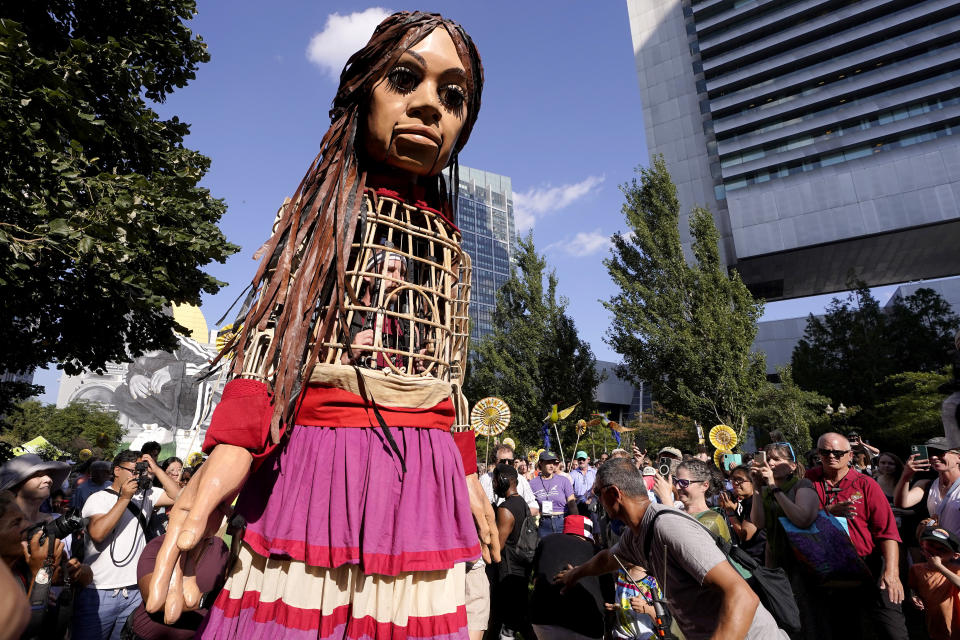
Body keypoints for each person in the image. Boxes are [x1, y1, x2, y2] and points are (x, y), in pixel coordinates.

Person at [147, 13, 493, 640]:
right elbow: (267, 355)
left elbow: (450, 378)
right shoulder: (320, 213)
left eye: (452, 95)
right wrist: (221, 469)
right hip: (319, 466)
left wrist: (464, 473)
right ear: (363, 91)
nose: (427, 106)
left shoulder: (449, 243)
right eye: (405, 79)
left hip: (424, 482)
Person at [555, 459, 784, 639]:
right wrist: (576, 574)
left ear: (614, 494)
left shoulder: (669, 527)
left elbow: (743, 596)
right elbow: (608, 559)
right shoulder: (636, 534)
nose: (596, 499)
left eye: (597, 492)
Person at [806, 432, 908, 640]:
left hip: (869, 565)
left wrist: (891, 572)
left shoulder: (865, 484)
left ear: (850, 455)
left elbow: (887, 532)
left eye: (838, 452)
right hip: (832, 569)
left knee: (892, 630)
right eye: (825, 452)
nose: (831, 456)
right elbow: (799, 520)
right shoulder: (809, 481)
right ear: (818, 453)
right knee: (845, 629)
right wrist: (828, 511)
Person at [74, 450, 180, 640]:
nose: (138, 476)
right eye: (133, 471)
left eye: (142, 471)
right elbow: (98, 534)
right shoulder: (98, 498)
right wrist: (124, 498)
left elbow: (178, 496)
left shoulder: (146, 494)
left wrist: (156, 470)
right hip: (99, 591)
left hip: (134, 590)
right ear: (116, 470)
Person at [529, 515, 611, 640]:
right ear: (587, 536)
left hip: (543, 619)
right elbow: (609, 598)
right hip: (587, 625)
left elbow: (535, 580)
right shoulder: (597, 551)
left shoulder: (546, 541)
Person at [490, 464, 532, 640]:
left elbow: (496, 549)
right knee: (519, 618)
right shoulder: (521, 502)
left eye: (494, 482)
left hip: (507, 572)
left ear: (503, 481)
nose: (493, 486)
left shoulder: (505, 509)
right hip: (521, 570)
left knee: (506, 621)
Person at [895, 436, 960, 538]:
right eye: (930, 453)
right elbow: (902, 503)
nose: (933, 457)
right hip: (937, 549)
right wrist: (906, 475)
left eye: (940, 452)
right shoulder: (926, 485)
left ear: (958, 457)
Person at [909, 524, 960, 640]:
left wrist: (939, 567)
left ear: (955, 555)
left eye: (942, 550)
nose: (935, 552)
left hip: (955, 624)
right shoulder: (916, 569)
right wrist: (913, 596)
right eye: (930, 545)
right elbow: (912, 587)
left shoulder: (956, 570)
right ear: (922, 546)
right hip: (933, 623)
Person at [674, 459, 731, 542]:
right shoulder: (677, 509)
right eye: (676, 481)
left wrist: (667, 502)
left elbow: (683, 543)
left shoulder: (711, 520)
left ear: (704, 485)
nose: (677, 487)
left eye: (684, 482)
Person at [718, 465, 765, 564]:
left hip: (757, 559)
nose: (735, 483)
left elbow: (745, 535)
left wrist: (730, 512)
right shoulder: (746, 500)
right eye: (733, 479)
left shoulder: (755, 503)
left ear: (752, 482)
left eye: (740, 480)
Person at [481, 444, 540, 514]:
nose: (506, 464)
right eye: (503, 461)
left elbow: (535, 508)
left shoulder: (521, 480)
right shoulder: (484, 479)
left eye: (510, 461)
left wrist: (516, 514)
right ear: (495, 461)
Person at [529, 451, 575, 537]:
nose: (552, 465)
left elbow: (572, 503)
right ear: (541, 463)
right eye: (548, 462)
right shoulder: (532, 484)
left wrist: (576, 523)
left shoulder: (563, 480)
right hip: (544, 524)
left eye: (553, 463)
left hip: (563, 521)